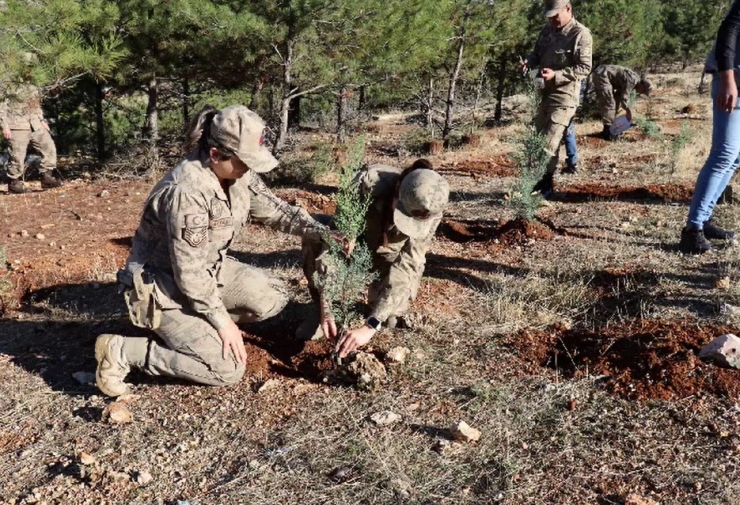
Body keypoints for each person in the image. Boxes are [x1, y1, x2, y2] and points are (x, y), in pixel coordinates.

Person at [95, 105, 337, 397]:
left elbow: (275, 210)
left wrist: (323, 232)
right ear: (215, 154)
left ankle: (196, 328)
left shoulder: (235, 172)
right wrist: (222, 322)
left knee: (272, 296)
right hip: (160, 288)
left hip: (205, 272)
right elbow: (189, 273)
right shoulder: (187, 191)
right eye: (245, 161)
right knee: (225, 368)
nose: (249, 168)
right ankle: (124, 350)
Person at [300, 159, 450, 358]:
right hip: (355, 247)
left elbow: (408, 265)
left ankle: (379, 306)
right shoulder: (365, 185)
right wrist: (325, 304)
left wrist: (371, 325)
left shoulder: (432, 208)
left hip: (389, 257)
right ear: (397, 189)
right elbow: (332, 247)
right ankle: (320, 311)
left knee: (388, 319)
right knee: (318, 232)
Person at [680, 1, 740, 254]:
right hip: (733, 80)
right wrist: (727, 79)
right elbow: (728, 30)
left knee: (736, 156)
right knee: (724, 152)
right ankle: (692, 230)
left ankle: (704, 219)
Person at [519, 0, 592, 198]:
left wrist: (557, 75)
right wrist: (528, 62)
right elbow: (536, 54)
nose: (552, 20)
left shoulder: (580, 34)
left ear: (568, 9)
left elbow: (584, 68)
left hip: (565, 97)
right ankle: (538, 183)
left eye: (555, 16)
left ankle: (545, 185)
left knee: (549, 141)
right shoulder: (547, 30)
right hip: (543, 94)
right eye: (549, 17)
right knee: (537, 139)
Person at [0, 81, 63, 194]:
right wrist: (4, 126)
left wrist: (41, 119)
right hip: (17, 125)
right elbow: (1, 106)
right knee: (17, 155)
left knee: (49, 148)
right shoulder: (8, 83)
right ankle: (14, 184)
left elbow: (35, 104)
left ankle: (46, 178)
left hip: (35, 124)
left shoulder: (33, 82)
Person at [592, 64, 652, 140]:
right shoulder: (632, 81)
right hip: (602, 75)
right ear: (642, 85)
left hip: (603, 74)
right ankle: (607, 132)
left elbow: (619, 97)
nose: (641, 93)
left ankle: (611, 128)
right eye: (643, 91)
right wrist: (628, 111)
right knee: (609, 103)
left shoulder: (634, 82)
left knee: (614, 102)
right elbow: (624, 99)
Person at [561, 79, 587, 173]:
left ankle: (551, 167)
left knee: (555, 132)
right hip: (572, 95)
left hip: (562, 97)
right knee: (568, 130)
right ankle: (573, 164)